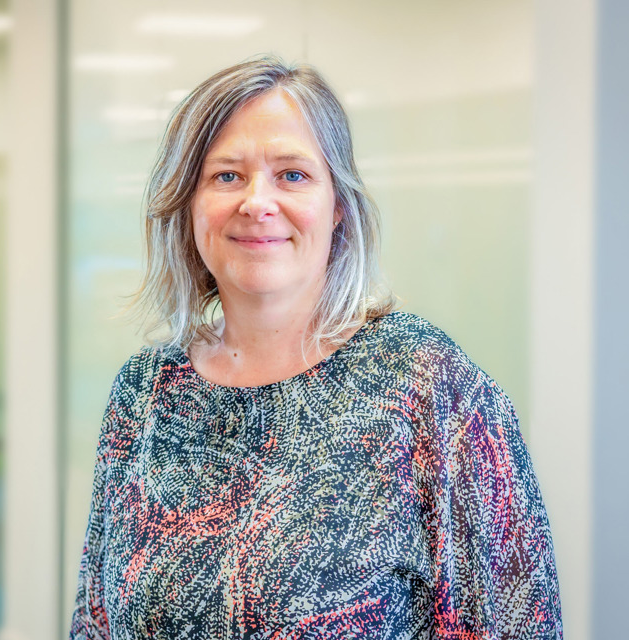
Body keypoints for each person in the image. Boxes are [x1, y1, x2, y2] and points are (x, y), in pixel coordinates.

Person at [69, 55, 563, 639]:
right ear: (189, 209)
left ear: (339, 210)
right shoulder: (146, 390)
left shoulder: (427, 387)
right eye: (226, 176)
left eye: (292, 174)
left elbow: (518, 624)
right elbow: (95, 622)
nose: (257, 202)